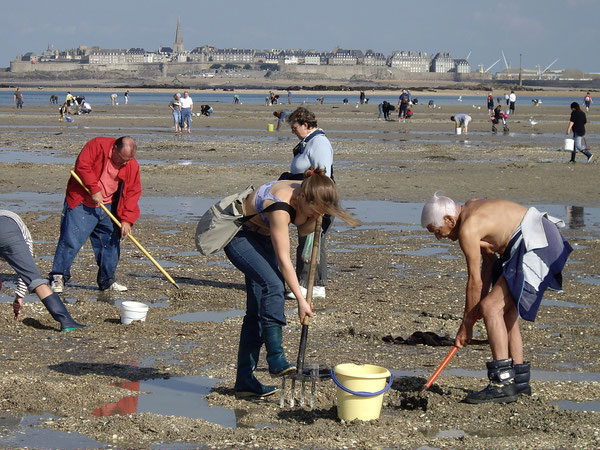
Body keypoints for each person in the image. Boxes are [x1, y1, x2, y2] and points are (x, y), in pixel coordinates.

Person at [421, 193, 572, 403]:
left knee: (491, 308)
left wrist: (467, 324)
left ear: (449, 220)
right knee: (506, 312)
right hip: (539, 235)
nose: (439, 237)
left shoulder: (468, 229)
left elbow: (474, 280)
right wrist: (474, 312)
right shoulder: (472, 207)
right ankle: (519, 381)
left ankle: (502, 382)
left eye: (437, 231)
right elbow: (488, 266)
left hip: (536, 242)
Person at [224, 169, 360, 399]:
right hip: (240, 235)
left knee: (257, 312)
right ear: (303, 198)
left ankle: (245, 381)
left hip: (263, 238)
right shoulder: (280, 207)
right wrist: (300, 299)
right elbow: (284, 260)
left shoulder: (309, 189)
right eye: (315, 210)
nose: (318, 214)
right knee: (274, 286)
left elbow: (304, 235)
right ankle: (276, 358)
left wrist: (314, 219)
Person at [49, 136, 141, 293]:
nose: (125, 163)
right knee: (71, 240)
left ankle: (107, 280)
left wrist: (127, 220)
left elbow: (132, 192)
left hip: (110, 205)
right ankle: (58, 276)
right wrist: (94, 189)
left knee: (111, 244)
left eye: (128, 160)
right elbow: (82, 167)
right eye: (122, 159)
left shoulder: (131, 164)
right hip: (82, 202)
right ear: (114, 149)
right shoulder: (97, 145)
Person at [0, 210, 87, 331]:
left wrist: (19, 295)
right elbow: (25, 270)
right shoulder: (15, 227)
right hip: (8, 228)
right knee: (35, 279)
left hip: (8, 227)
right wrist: (20, 295)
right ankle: (66, 321)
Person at [282, 107, 333, 300]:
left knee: (312, 242)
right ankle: (308, 283)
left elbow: (323, 175)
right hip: (305, 200)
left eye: (294, 127)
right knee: (307, 240)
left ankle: (311, 285)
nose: (292, 131)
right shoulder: (308, 142)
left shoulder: (319, 143)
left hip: (316, 200)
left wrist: (316, 204)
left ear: (305, 125)